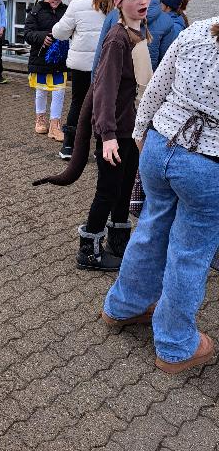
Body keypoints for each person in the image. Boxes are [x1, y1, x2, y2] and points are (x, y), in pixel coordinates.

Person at [103, 19, 219, 374]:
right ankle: (175, 344)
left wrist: (141, 135)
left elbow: (155, 88)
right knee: (189, 253)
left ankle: (123, 307)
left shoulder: (198, 30)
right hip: (207, 163)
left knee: (150, 229)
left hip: (161, 143)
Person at [33, 0, 154, 272]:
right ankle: (88, 251)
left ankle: (118, 242)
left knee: (124, 189)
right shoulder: (117, 39)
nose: (143, 1)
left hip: (131, 129)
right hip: (116, 131)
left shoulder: (138, 32)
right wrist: (108, 134)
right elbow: (104, 90)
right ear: (120, 1)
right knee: (108, 191)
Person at [52, 0, 114, 159]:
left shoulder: (77, 5)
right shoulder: (115, 5)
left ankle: (69, 146)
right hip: (107, 65)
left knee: (78, 103)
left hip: (81, 65)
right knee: (104, 105)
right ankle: (101, 148)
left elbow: (59, 32)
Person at [91, 0, 174, 75]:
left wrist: (93, 81)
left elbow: (100, 55)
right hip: (148, 82)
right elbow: (165, 65)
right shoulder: (167, 21)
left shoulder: (114, 15)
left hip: (117, 80)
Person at [24, 0, 68, 141]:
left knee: (59, 91)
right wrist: (42, 37)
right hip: (40, 59)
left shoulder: (66, 10)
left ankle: (55, 125)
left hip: (60, 59)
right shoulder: (35, 12)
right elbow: (28, 33)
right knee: (41, 90)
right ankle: (40, 119)